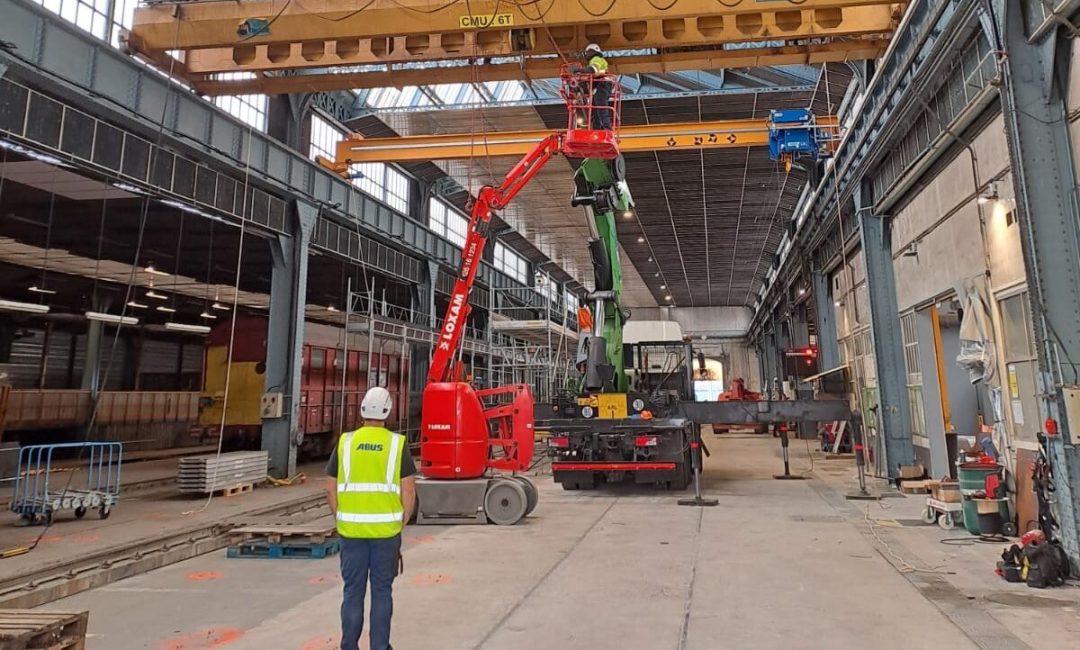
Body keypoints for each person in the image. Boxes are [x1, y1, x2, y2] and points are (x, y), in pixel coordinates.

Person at [325, 386, 417, 650]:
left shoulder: (346, 442)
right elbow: (408, 488)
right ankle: (380, 646)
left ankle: (349, 646)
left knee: (352, 592)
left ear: (363, 410)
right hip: (386, 534)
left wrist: (341, 516)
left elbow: (330, 486)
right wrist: (403, 519)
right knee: (381, 592)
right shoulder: (396, 444)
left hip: (351, 533)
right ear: (387, 411)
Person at [577, 43, 612, 130]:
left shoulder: (597, 59)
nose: (587, 54)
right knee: (595, 109)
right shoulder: (594, 61)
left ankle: (607, 128)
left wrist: (579, 70)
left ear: (593, 52)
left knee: (600, 104)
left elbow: (593, 70)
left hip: (603, 84)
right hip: (599, 86)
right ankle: (597, 129)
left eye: (588, 52)